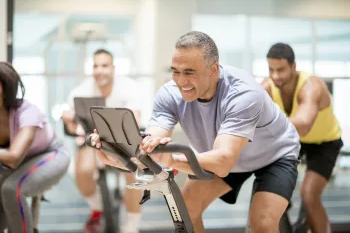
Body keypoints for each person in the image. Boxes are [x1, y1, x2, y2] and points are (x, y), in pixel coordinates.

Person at [89, 31, 301, 233]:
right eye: (176, 71)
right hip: (222, 154)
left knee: (262, 223)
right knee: (187, 210)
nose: (181, 81)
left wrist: (171, 160)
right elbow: (153, 143)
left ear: (213, 70)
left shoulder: (243, 93)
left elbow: (224, 161)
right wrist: (123, 154)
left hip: (274, 155)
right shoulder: (170, 94)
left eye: (189, 72)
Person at [261, 43, 343, 233]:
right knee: (273, 191)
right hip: (293, 141)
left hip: (325, 143)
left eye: (280, 69)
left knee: (309, 195)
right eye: (271, 69)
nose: (275, 76)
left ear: (293, 66)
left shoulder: (311, 87)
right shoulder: (268, 86)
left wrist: (266, 124)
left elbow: (304, 125)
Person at [61, 49, 142, 233]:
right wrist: (70, 120)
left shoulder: (129, 87)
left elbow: (135, 119)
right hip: (93, 140)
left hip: (122, 141)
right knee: (82, 171)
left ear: (113, 68)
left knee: (134, 173)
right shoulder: (82, 89)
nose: (100, 70)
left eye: (104, 65)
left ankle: (132, 224)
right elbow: (73, 125)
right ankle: (97, 208)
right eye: (96, 66)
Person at [0, 62, 70, 233]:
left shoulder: (28, 111)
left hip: (50, 154)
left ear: (4, 89)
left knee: (12, 189)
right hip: (16, 161)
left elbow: (14, 158)